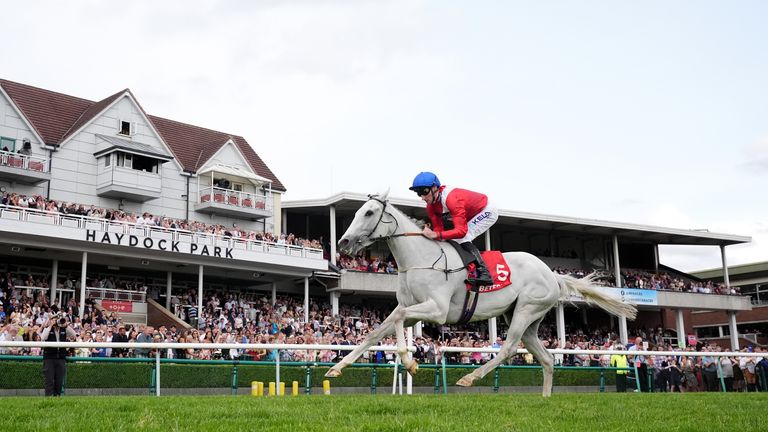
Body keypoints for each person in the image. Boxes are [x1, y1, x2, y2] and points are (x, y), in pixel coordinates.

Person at [409, 171, 498, 287]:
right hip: (471, 215)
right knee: (449, 240)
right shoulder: (431, 207)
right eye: (418, 193)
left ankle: (485, 273)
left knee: (463, 238)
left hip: (486, 210)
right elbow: (439, 233)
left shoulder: (452, 199)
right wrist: (432, 235)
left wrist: (435, 235)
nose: (422, 197)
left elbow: (461, 232)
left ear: (435, 187)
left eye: (424, 191)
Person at [40, 312, 76, 396]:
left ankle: (58, 398)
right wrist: (50, 325)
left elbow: (74, 335)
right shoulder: (48, 328)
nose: (57, 322)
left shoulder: (64, 329)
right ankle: (48, 399)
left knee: (59, 381)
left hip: (61, 358)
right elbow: (43, 337)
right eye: (55, 320)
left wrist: (66, 325)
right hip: (49, 358)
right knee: (49, 380)